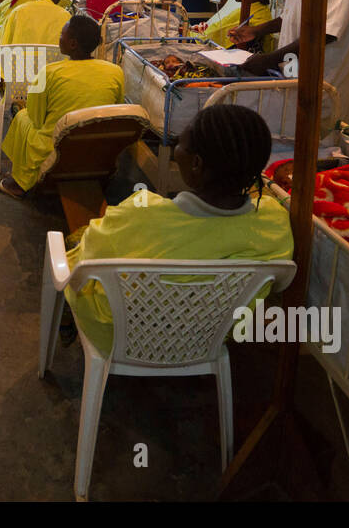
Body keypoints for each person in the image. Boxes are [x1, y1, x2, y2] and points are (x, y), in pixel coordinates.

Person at [64, 104, 295, 356]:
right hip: (205, 341)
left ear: (196, 163)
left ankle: (66, 322)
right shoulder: (275, 223)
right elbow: (279, 285)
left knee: (74, 243)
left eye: (180, 144)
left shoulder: (139, 214)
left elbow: (86, 259)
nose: (176, 151)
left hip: (118, 337)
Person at [0, 15, 124, 198]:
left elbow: (37, 119)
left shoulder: (50, 73)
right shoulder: (115, 71)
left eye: (61, 35)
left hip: (58, 146)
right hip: (99, 147)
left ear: (72, 44)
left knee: (22, 116)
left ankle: (20, 181)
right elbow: (115, 109)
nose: (59, 38)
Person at [194, 0, 274, 50]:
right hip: (201, 37)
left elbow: (221, 31)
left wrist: (194, 38)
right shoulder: (250, 8)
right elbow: (219, 25)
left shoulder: (256, 17)